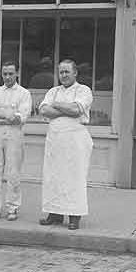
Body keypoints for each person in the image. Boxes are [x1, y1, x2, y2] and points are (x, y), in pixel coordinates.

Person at [38, 59, 93, 230]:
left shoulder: (84, 90)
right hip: (55, 140)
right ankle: (54, 214)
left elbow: (77, 110)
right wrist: (65, 108)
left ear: (75, 73)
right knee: (53, 177)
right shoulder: (53, 91)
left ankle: (74, 216)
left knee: (74, 177)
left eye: (67, 72)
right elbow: (44, 110)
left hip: (75, 140)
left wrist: (56, 105)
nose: (63, 75)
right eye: (61, 72)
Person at [0, 61, 32, 221]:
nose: (8, 77)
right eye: (5, 74)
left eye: (11, 73)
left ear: (17, 73)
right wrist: (5, 117)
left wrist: (1, 117)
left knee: (13, 172)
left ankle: (12, 207)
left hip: (14, 136)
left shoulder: (24, 93)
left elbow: (20, 117)